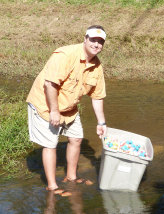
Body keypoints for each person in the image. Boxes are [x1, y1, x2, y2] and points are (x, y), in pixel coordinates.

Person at [26, 25, 107, 196]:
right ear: (85, 38)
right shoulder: (65, 55)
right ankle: (52, 186)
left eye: (100, 41)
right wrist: (54, 111)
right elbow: (50, 84)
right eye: (93, 39)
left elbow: (97, 96)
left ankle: (71, 176)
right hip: (46, 104)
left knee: (76, 139)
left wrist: (101, 122)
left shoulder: (97, 66)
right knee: (50, 144)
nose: (96, 44)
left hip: (69, 107)